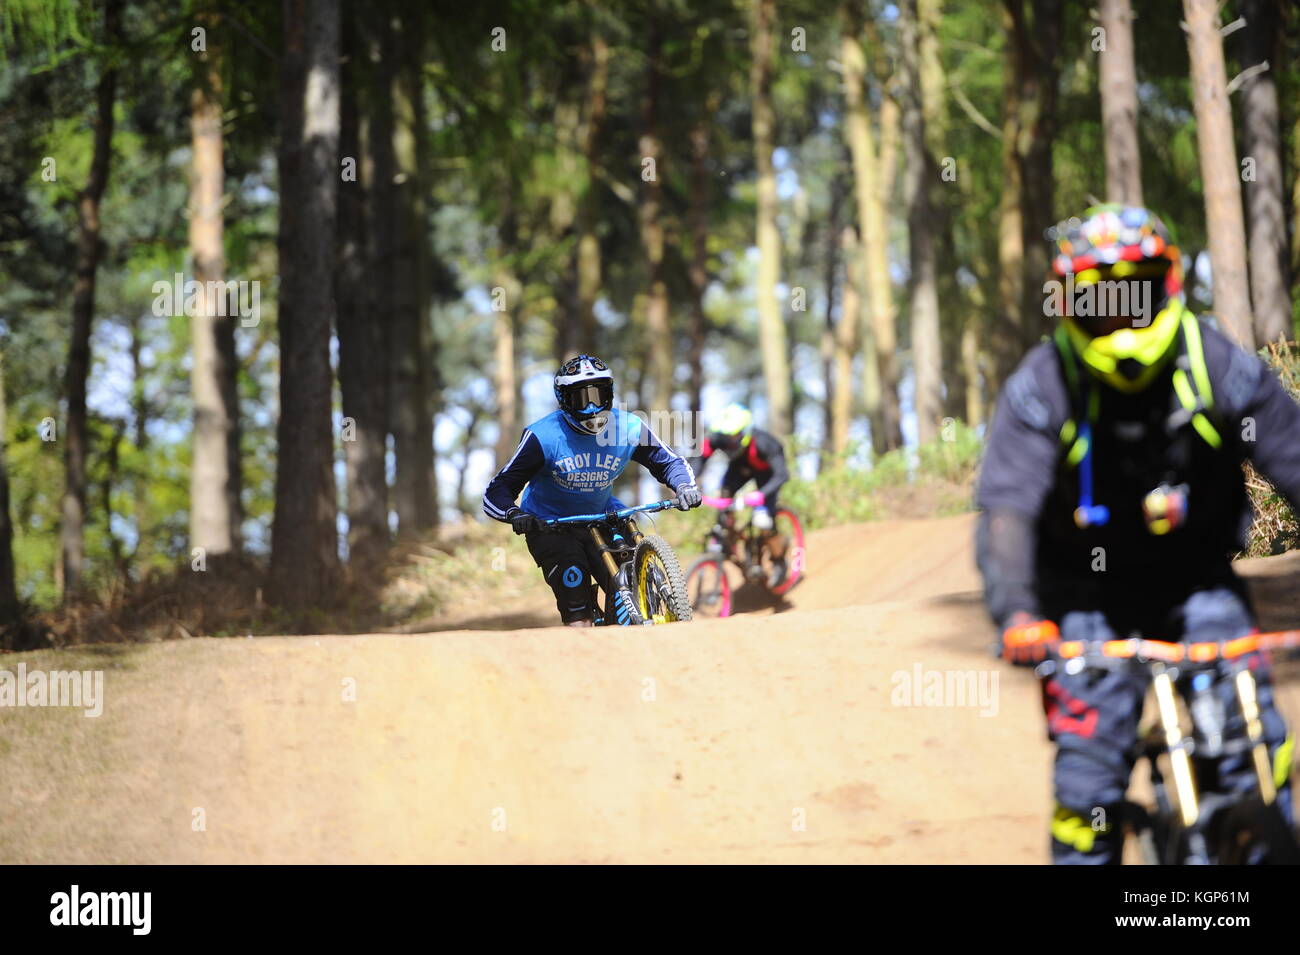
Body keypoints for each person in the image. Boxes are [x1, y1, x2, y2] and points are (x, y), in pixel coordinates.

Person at [976, 204, 1300, 864]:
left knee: (1259, 751)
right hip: (1081, 602)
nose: (1120, 315)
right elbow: (1006, 509)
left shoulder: (1210, 360)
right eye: (1098, 299)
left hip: (1198, 584)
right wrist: (1016, 611)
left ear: (1168, 285)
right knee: (1088, 786)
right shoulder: (1043, 386)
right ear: (1068, 304)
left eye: (1137, 291)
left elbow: (1291, 448)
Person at [483, 354, 701, 627]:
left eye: (598, 395)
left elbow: (668, 462)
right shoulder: (544, 436)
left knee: (631, 580)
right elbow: (498, 490)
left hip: (605, 515)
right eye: (580, 398)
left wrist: (684, 486)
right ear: (564, 401)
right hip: (551, 525)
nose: (591, 407)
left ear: (610, 394)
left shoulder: (628, 427)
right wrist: (515, 514)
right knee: (578, 610)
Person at [691, 402, 791, 587]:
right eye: (725, 437)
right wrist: (688, 483)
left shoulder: (766, 443)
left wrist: (761, 495)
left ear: (745, 432)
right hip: (739, 468)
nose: (728, 441)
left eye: (734, 436)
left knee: (763, 521)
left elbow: (782, 475)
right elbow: (699, 459)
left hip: (766, 476)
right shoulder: (718, 438)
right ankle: (727, 539)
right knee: (724, 499)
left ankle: (779, 560)